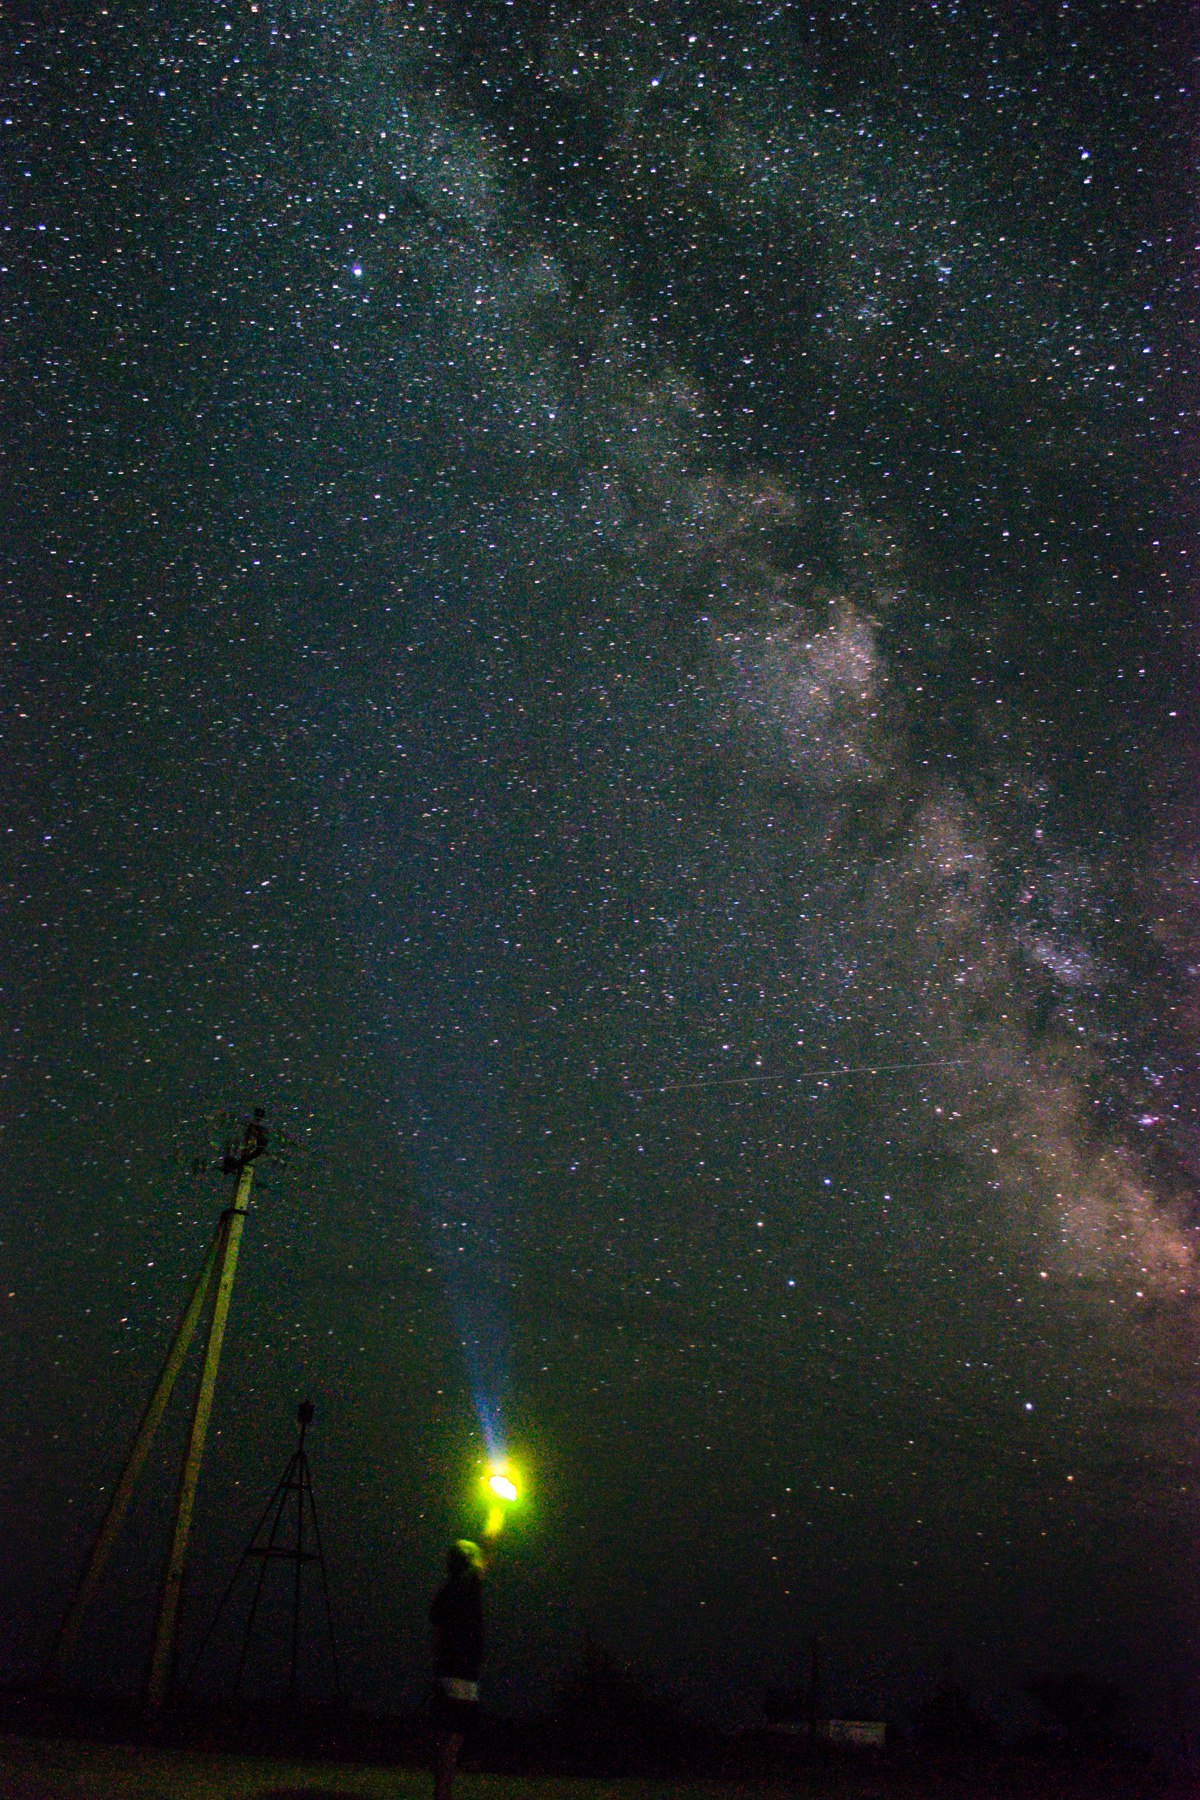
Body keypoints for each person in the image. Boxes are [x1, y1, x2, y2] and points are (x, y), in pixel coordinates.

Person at [430, 1536, 490, 1800]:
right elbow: (486, 1555)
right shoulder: (467, 1583)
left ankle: (441, 1791)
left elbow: (437, 1632)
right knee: (454, 1739)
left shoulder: (447, 1590)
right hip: (461, 1674)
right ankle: (443, 1793)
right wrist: (498, 1511)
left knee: (447, 1737)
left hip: (447, 1671)